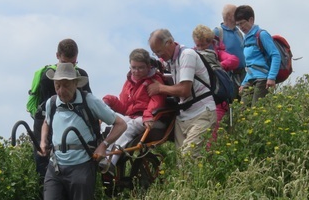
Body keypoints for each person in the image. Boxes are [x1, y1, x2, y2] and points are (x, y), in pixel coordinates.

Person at [38, 63, 126, 200]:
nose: (60, 90)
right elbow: (47, 122)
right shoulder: (51, 103)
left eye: (65, 85)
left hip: (82, 164)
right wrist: (43, 141)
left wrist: (104, 145)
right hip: (56, 166)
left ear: (75, 84)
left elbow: (120, 123)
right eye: (57, 85)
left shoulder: (89, 101)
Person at [147, 29, 216, 157]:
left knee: (187, 158)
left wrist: (160, 88)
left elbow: (184, 90)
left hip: (201, 112)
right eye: (155, 52)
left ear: (169, 42)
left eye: (159, 51)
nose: (158, 56)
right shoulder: (171, 61)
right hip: (184, 116)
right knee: (183, 163)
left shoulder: (187, 55)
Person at [30, 39, 92, 180]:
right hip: (46, 120)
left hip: (70, 124)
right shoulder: (47, 77)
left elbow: (88, 100)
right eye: (65, 63)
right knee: (44, 163)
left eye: (73, 64)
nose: (69, 68)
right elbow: (51, 108)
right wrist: (44, 140)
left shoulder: (81, 75)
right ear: (57, 56)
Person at [102, 48, 166, 171]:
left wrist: (148, 115)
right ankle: (104, 153)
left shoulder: (154, 80)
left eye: (140, 68)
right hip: (134, 117)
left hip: (153, 118)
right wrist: (110, 100)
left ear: (148, 66)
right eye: (133, 67)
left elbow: (157, 102)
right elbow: (125, 107)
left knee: (127, 127)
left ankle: (111, 162)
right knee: (114, 123)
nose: (136, 71)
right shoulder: (129, 81)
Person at [192, 24, 239, 129]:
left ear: (209, 42)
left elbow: (234, 60)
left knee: (214, 130)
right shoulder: (193, 53)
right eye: (197, 45)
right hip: (201, 99)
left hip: (217, 98)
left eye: (203, 45)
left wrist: (217, 67)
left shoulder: (217, 53)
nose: (200, 48)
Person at [234, 5, 281, 107]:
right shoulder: (246, 39)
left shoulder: (261, 35)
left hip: (262, 79)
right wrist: (243, 83)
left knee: (257, 110)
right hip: (249, 78)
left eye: (242, 23)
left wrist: (271, 77)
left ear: (251, 20)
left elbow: (275, 55)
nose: (241, 27)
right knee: (242, 112)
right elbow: (250, 65)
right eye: (238, 25)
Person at [213, 4, 246, 93]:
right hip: (229, 75)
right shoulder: (218, 32)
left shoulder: (238, 32)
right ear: (229, 16)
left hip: (243, 75)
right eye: (236, 13)